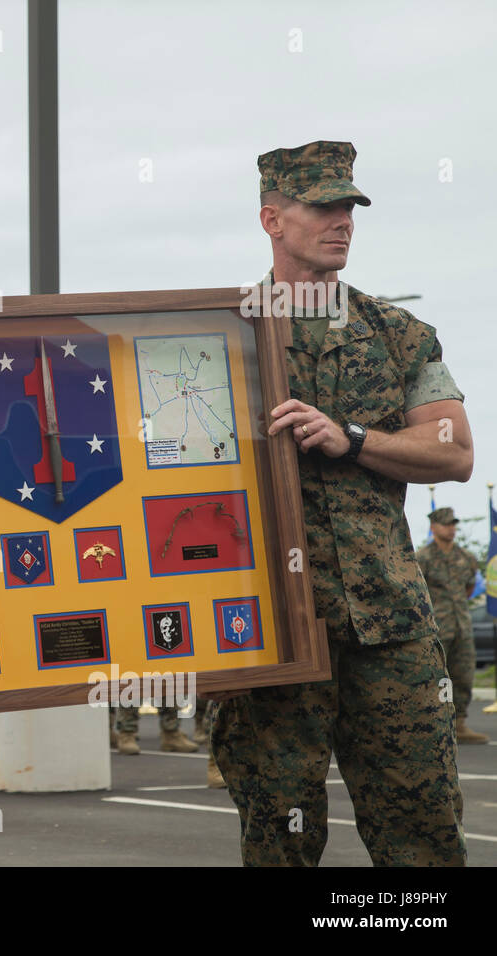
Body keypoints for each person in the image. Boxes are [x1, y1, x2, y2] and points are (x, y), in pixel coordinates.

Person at [208, 141, 471, 866]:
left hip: (389, 627)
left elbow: (454, 450)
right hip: (272, 631)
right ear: (271, 218)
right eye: (322, 206)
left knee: (423, 832)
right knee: (279, 832)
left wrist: (352, 438)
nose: (342, 222)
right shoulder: (216, 340)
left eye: (349, 207)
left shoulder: (398, 335)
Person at [416, 507, 488, 744]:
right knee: (436, 677)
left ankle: (459, 725)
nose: (451, 528)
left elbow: (469, 588)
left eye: (453, 524)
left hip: (462, 627)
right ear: (434, 527)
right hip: (436, 629)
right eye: (446, 524)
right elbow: (417, 592)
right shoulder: (423, 558)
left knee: (464, 676)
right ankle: (433, 725)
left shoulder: (466, 557)